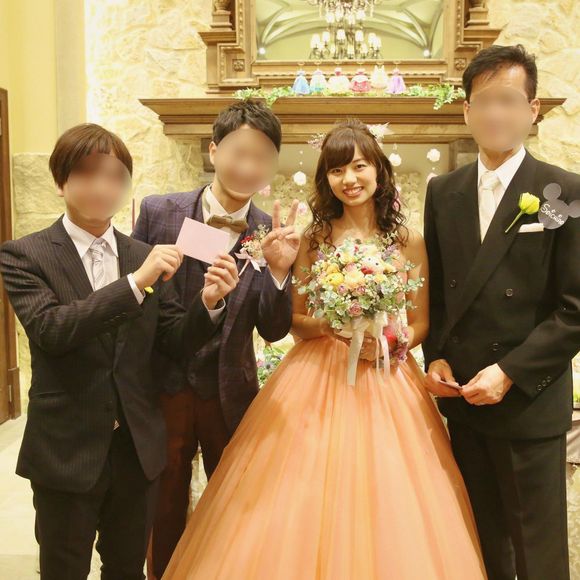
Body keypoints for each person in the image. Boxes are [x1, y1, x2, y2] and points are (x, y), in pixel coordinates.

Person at [162, 120, 487, 579]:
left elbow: (420, 322)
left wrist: (389, 341)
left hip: (386, 376)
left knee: (393, 493)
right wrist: (334, 326)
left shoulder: (408, 240)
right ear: (326, 178)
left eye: (359, 166)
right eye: (336, 170)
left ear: (378, 170)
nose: (349, 179)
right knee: (298, 491)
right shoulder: (312, 238)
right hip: (317, 373)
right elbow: (294, 322)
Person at [0, 123, 239, 580]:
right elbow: (52, 329)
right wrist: (135, 283)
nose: (102, 187)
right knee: (63, 570)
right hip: (66, 448)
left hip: (136, 447)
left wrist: (209, 304)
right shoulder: (25, 255)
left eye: (114, 176)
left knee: (128, 568)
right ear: (60, 182)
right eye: (87, 173)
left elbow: (172, 340)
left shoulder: (140, 252)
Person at [423, 44, 580, 580]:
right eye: (484, 101)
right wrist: (436, 357)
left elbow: (575, 309)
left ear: (532, 110)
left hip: (528, 403)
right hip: (466, 402)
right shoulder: (443, 192)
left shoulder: (565, 191)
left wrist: (510, 371)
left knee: (538, 557)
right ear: (467, 110)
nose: (496, 113)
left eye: (509, 100)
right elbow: (439, 296)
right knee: (482, 551)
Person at [131, 99, 299, 579]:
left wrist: (280, 273)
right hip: (164, 385)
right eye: (239, 152)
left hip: (229, 390)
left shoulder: (269, 230)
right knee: (163, 506)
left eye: (262, 157)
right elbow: (141, 305)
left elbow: (273, 329)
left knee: (234, 506)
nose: (248, 167)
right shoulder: (159, 211)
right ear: (213, 150)